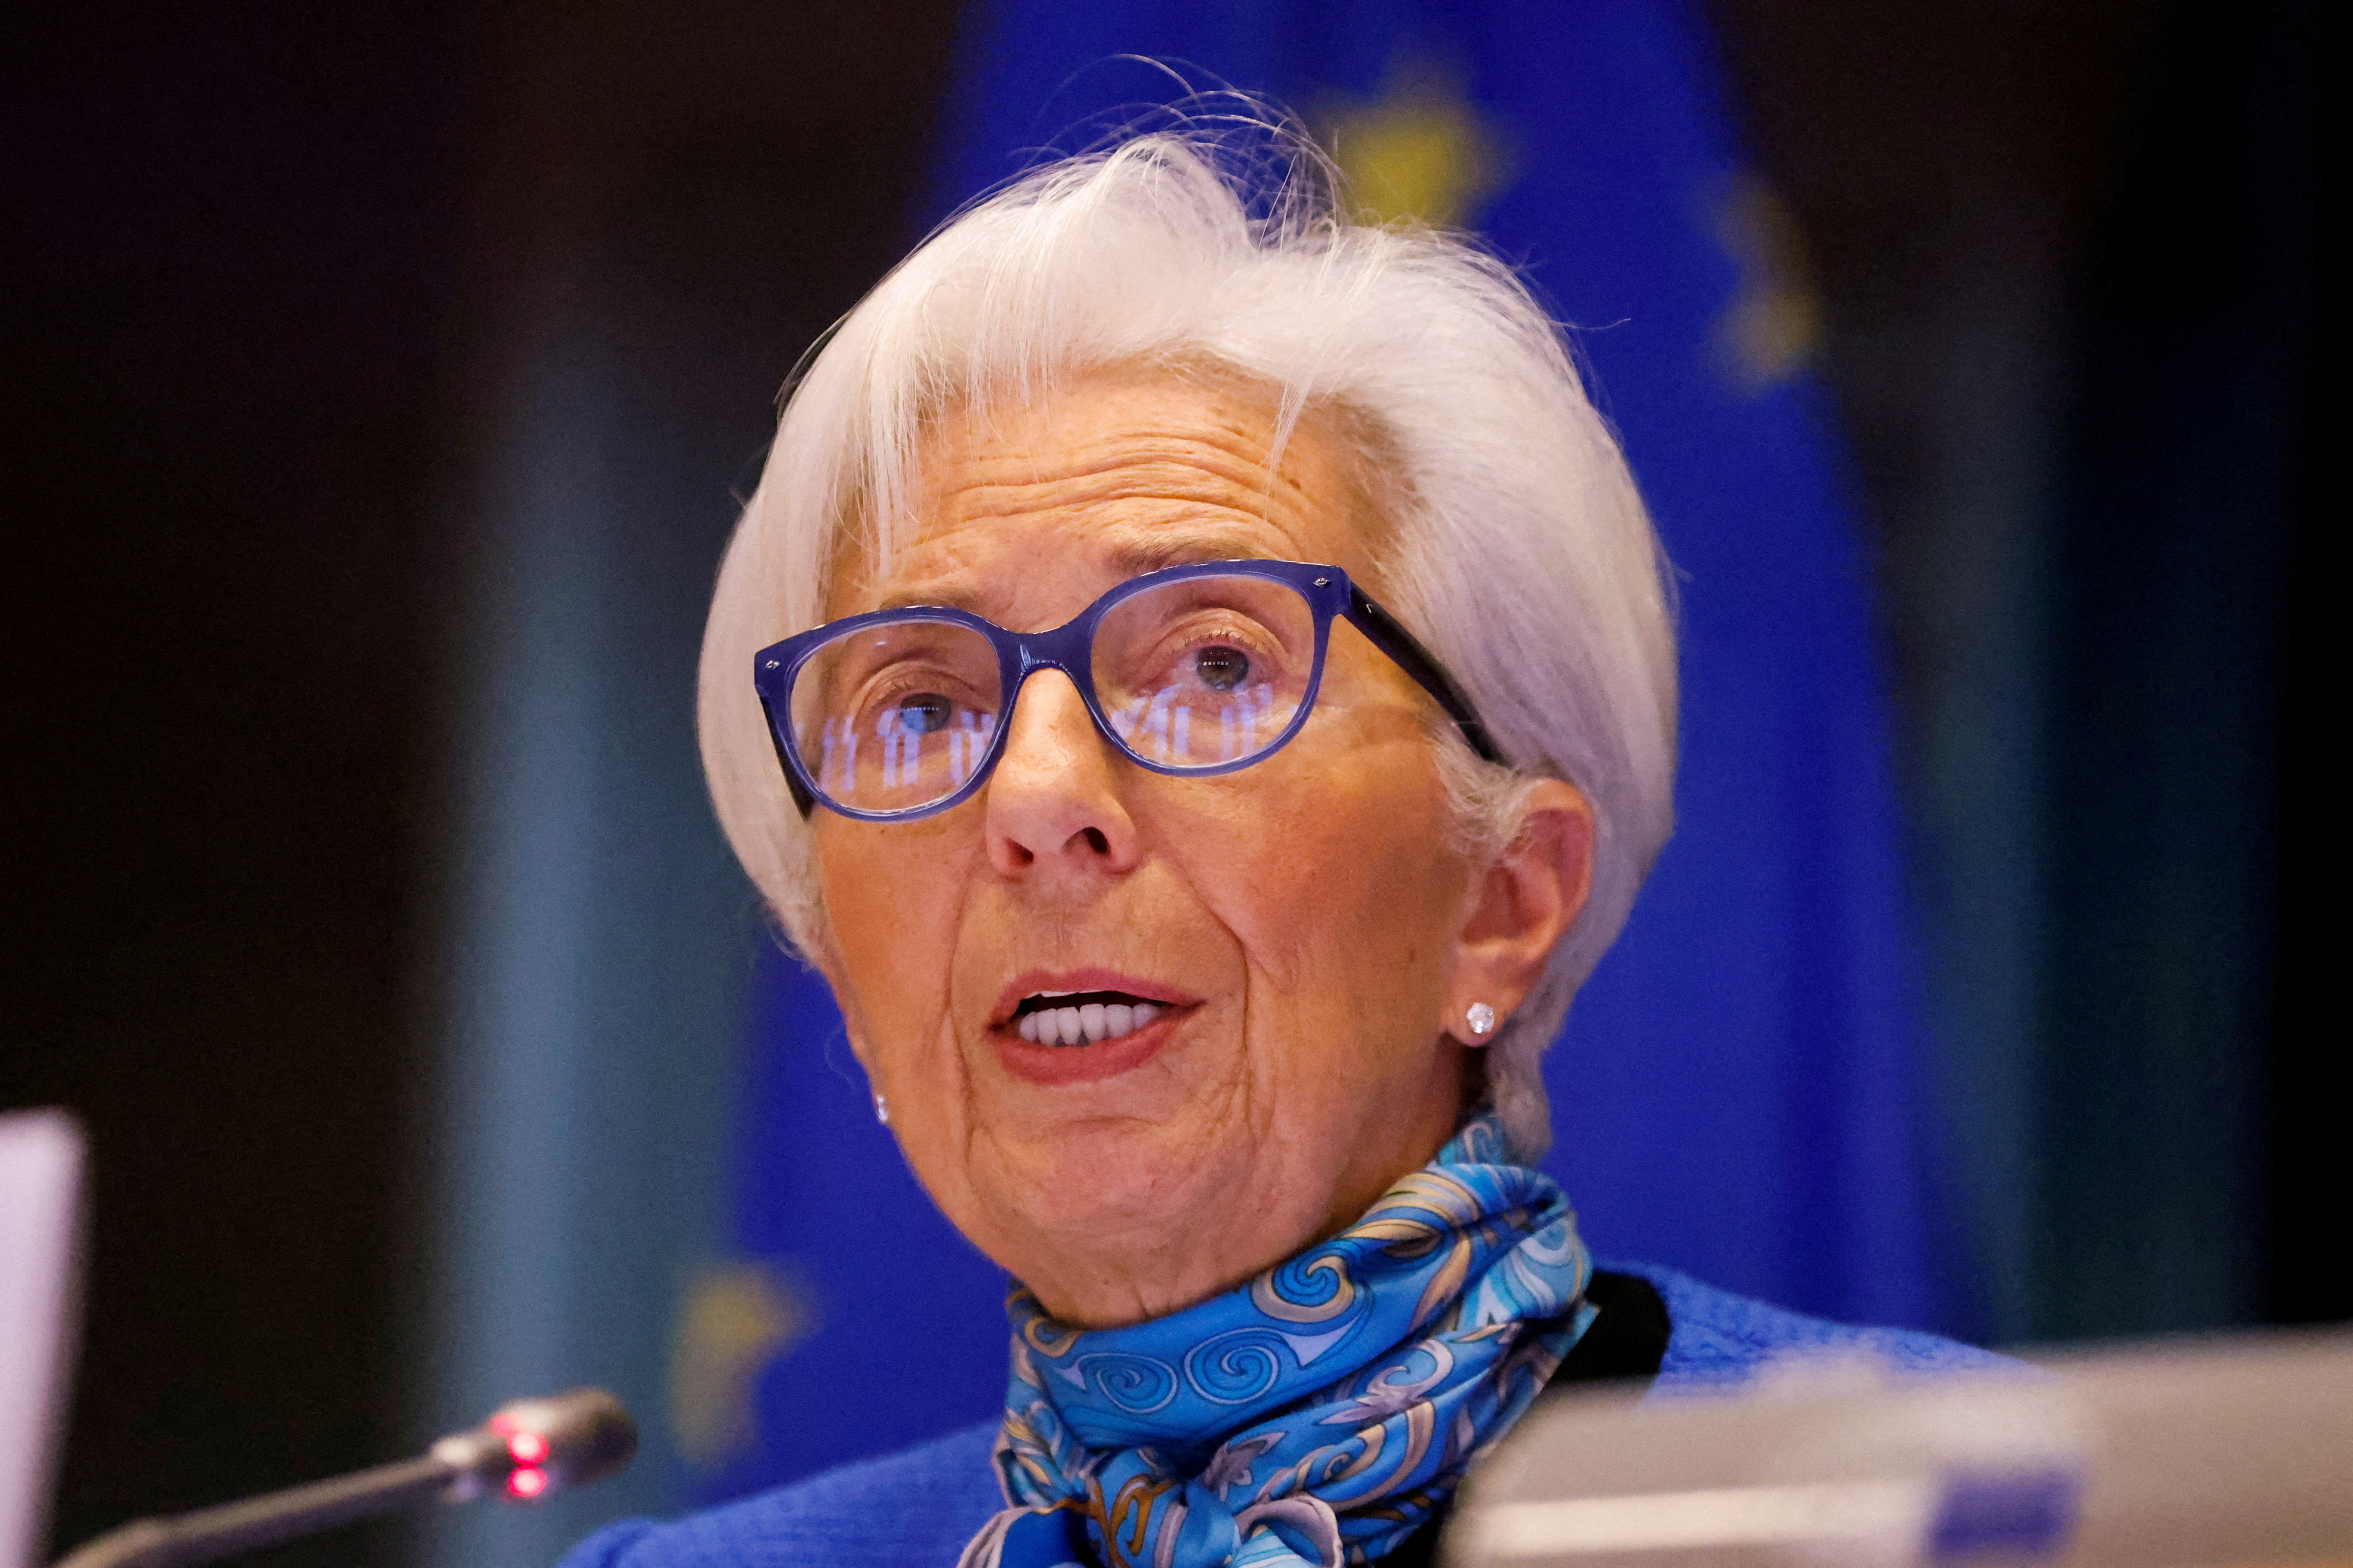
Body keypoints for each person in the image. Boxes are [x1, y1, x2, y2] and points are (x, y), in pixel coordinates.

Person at [561, 123, 2001, 1568]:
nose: (1035, 795)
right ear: (844, 966)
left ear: (1501, 902)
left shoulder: (1978, 1517)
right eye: (924, 703)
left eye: (1214, 669)